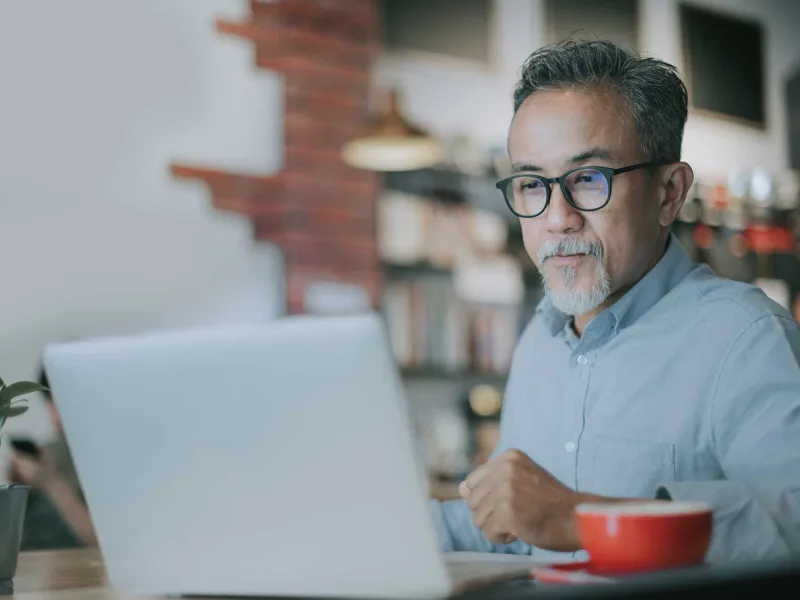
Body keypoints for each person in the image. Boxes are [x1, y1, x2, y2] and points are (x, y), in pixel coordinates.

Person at [430, 39, 800, 564]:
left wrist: (581, 519)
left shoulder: (747, 339)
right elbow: (513, 527)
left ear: (668, 193)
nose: (557, 218)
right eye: (532, 185)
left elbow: (792, 526)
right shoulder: (539, 342)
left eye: (587, 179)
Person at [9, 367, 97, 550]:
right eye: (50, 403)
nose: (55, 416)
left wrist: (50, 482)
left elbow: (99, 541)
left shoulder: (107, 458)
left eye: (64, 401)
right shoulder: (50, 451)